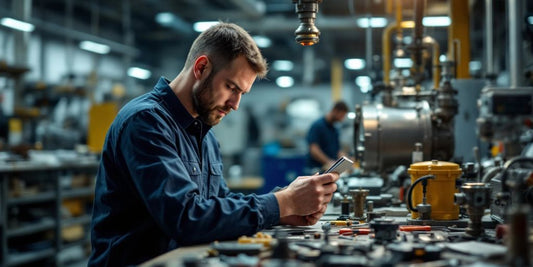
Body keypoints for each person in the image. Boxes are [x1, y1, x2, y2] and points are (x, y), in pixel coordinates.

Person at [88, 22, 339, 266]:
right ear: (201, 68)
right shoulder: (145, 122)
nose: (235, 104)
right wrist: (282, 202)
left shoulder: (204, 133)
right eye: (231, 87)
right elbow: (186, 218)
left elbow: (216, 204)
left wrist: (283, 211)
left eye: (242, 93)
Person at [306, 101, 349, 172]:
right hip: (316, 169)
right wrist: (329, 162)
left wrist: (346, 162)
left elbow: (338, 150)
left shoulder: (334, 129)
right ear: (335, 111)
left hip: (329, 169)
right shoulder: (317, 126)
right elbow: (314, 149)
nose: (342, 119)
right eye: (341, 116)